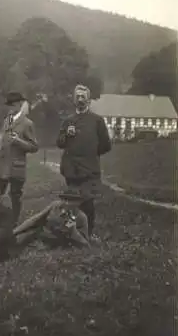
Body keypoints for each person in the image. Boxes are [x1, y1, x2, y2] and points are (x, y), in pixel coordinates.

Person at [56, 84, 111, 239]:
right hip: (71, 169)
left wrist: (90, 154)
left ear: (89, 101)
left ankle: (88, 233)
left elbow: (106, 145)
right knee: (73, 202)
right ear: (74, 100)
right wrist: (66, 135)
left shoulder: (97, 121)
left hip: (89, 169)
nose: (80, 100)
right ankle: (73, 233)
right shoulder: (68, 121)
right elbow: (59, 143)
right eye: (77, 97)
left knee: (87, 202)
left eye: (83, 97)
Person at [0, 91, 39, 223]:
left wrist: (19, 141)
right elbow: (3, 143)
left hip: (16, 167)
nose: (10, 108)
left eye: (12, 104)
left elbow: (34, 147)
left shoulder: (27, 123)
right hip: (2, 165)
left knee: (15, 195)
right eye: (8, 105)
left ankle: (14, 223)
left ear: (19, 104)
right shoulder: (6, 121)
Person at [13, 188, 90, 250]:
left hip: (59, 242)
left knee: (37, 249)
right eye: (65, 199)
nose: (66, 203)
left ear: (79, 202)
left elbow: (84, 243)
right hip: (42, 234)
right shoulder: (55, 205)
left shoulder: (81, 217)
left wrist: (72, 227)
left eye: (71, 200)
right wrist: (15, 231)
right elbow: (35, 219)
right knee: (17, 241)